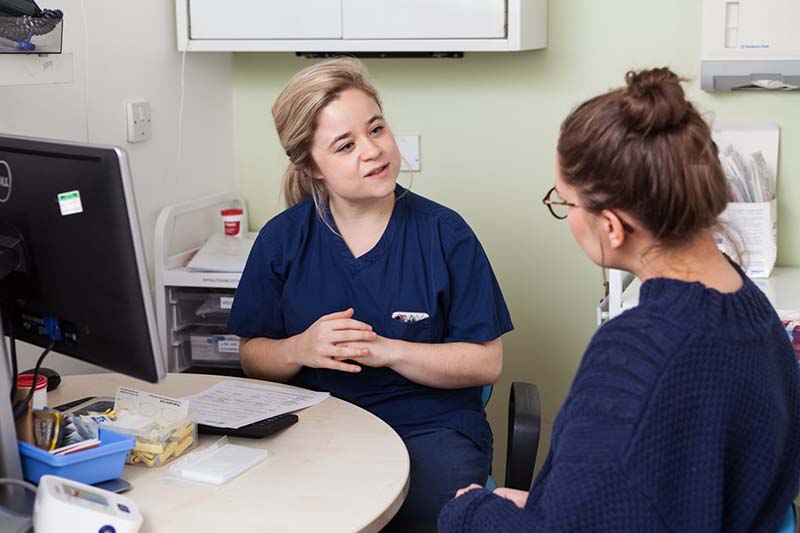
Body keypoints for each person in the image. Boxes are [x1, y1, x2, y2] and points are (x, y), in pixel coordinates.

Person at [439, 68, 800, 532]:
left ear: (612, 225)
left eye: (565, 203)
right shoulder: (750, 307)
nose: (566, 215)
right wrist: (543, 502)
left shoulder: (636, 355)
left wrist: (473, 511)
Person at [226, 57, 513, 526]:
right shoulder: (282, 239)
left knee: (419, 516)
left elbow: (486, 362)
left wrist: (389, 350)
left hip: (429, 429)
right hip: (317, 426)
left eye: (376, 129)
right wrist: (301, 347)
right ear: (311, 166)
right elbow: (253, 357)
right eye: (345, 145)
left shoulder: (446, 234)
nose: (372, 151)